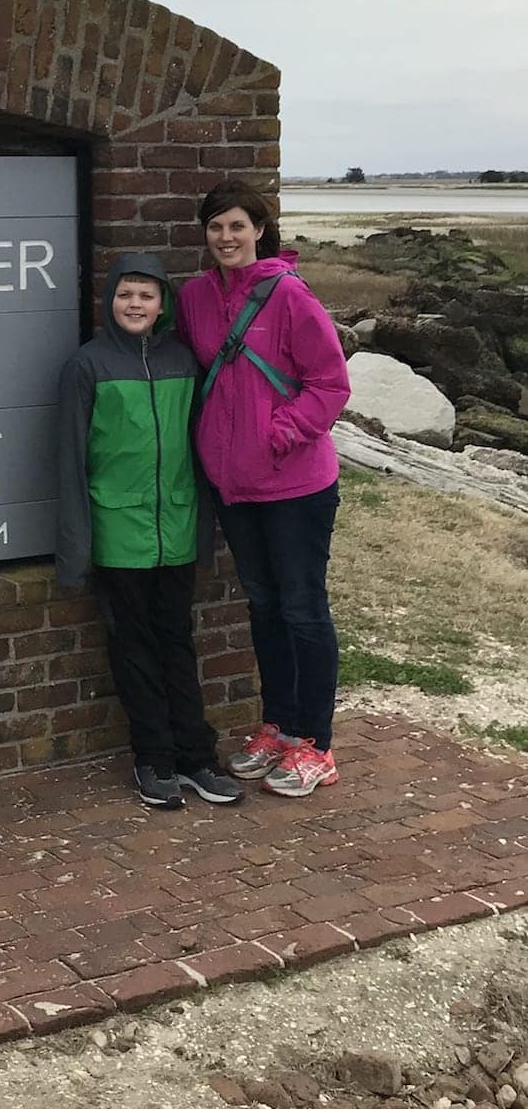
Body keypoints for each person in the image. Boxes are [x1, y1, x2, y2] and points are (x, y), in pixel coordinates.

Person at [176, 180, 350, 799]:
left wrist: (279, 434)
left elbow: (330, 384)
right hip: (234, 485)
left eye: (237, 226)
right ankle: (278, 728)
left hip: (296, 483)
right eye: (216, 226)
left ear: (259, 230)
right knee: (265, 607)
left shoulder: (290, 296)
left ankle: (316, 744)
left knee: (303, 607)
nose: (226, 237)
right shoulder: (195, 298)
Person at [56, 251, 241, 811]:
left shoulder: (186, 362)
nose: (135, 304)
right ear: (110, 300)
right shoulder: (86, 366)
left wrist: (208, 525)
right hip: (119, 532)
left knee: (178, 643)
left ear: (163, 304)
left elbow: (202, 447)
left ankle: (196, 757)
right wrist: (76, 547)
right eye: (125, 294)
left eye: (146, 295)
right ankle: (154, 757)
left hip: (177, 527)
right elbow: (71, 461)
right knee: (134, 649)